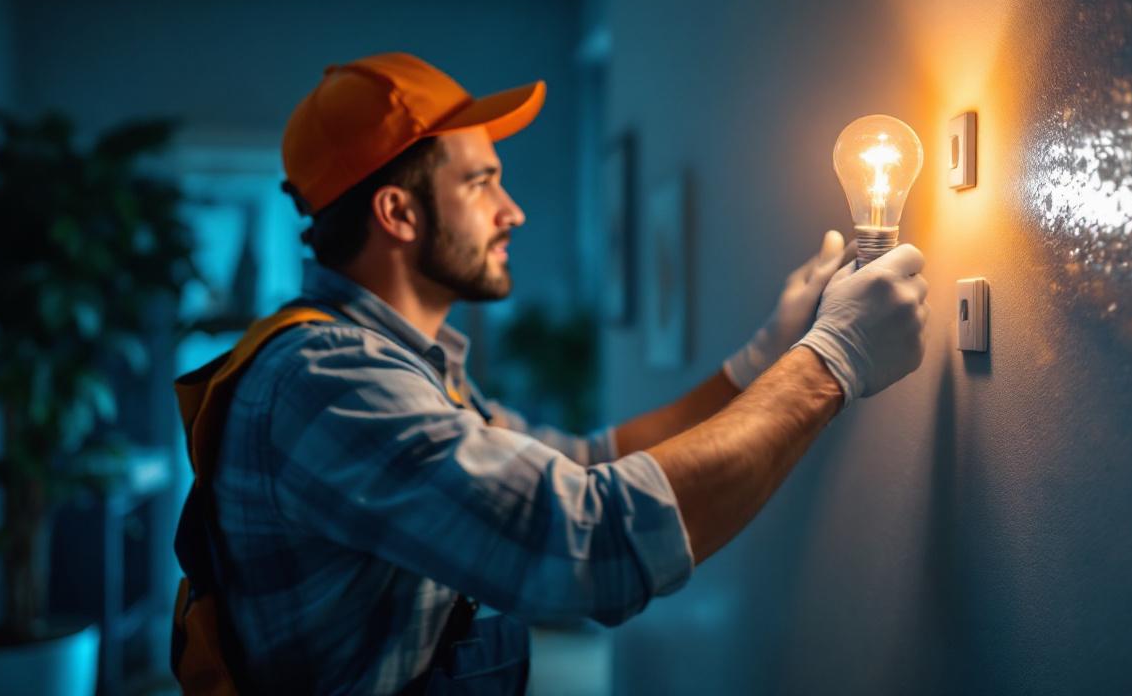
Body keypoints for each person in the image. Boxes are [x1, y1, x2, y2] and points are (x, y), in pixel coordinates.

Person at [182, 52, 929, 694]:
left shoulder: (401, 366)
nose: (513, 212)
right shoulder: (329, 382)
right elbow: (583, 544)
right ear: (397, 213)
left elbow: (585, 465)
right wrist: (832, 362)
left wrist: (758, 361)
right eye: (481, 183)